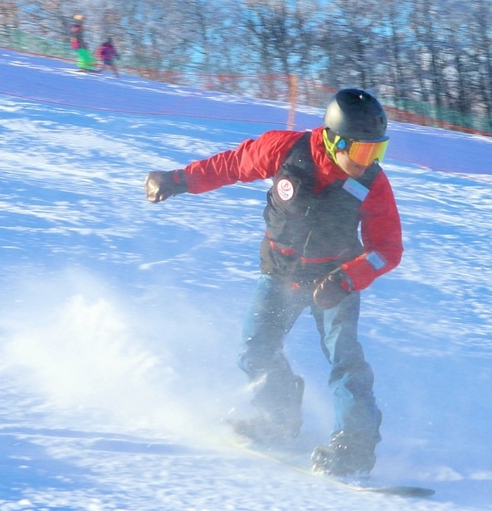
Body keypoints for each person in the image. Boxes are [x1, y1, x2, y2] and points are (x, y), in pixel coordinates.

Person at [144, 89, 403, 478]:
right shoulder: (285, 150)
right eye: (364, 153)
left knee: (345, 362)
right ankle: (279, 421)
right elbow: (230, 165)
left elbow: (387, 248)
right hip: (280, 274)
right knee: (254, 351)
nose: (370, 163)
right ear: (334, 140)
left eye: (377, 152)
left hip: (334, 283)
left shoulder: (372, 184)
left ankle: (354, 448)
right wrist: (177, 180)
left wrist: (348, 278)